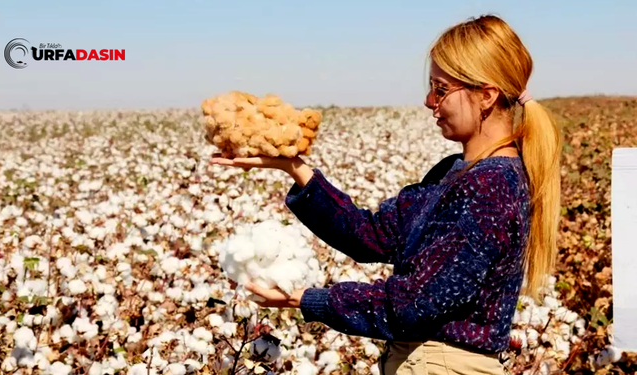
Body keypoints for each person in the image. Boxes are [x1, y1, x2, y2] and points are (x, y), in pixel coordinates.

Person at [210, 14, 562, 375]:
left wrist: (305, 299)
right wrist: (294, 167)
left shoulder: (490, 187)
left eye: (441, 89)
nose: (429, 101)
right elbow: (372, 237)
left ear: (486, 96)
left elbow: (414, 303)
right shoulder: (454, 173)